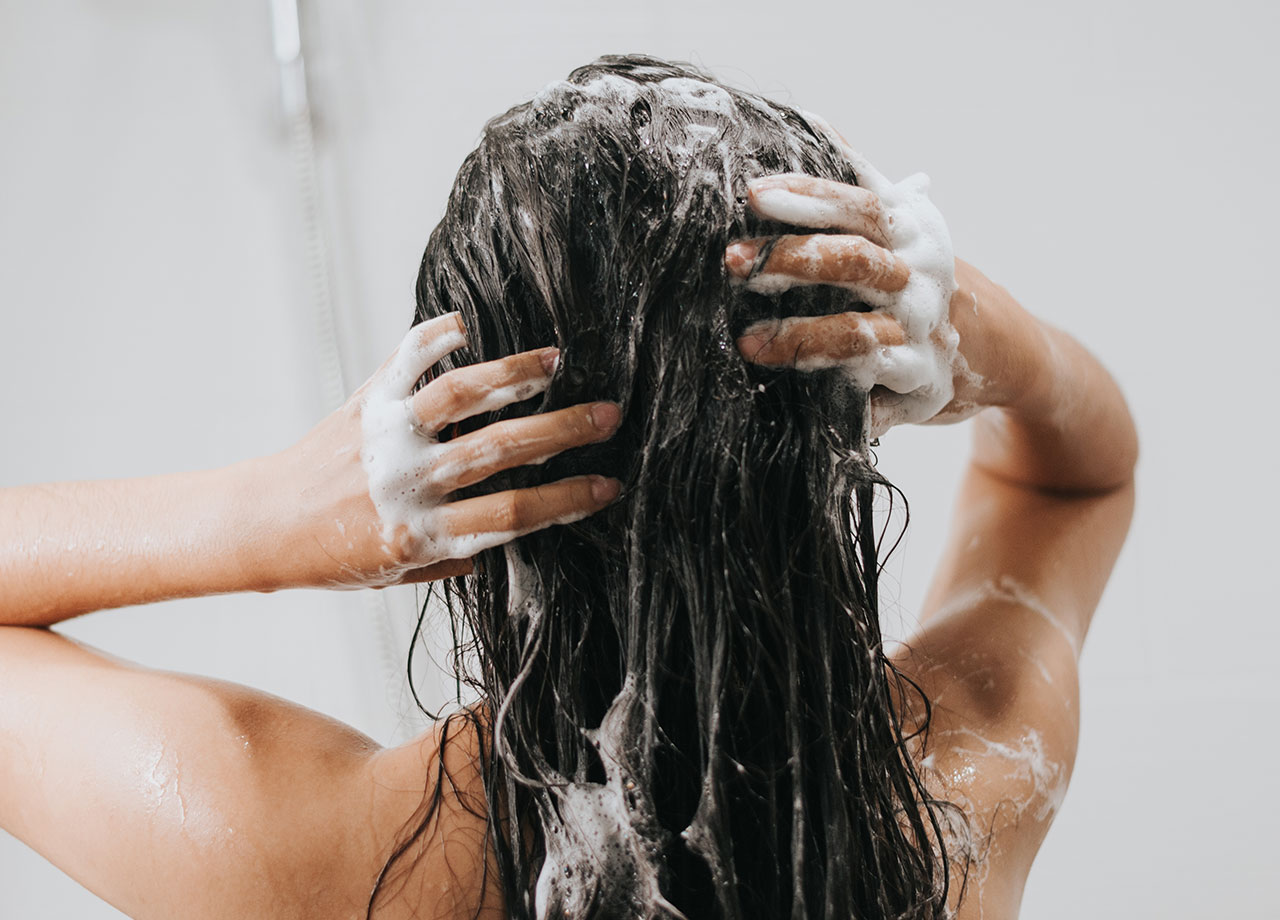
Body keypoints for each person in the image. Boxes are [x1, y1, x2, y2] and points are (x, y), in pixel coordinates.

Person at [0, 56, 1136, 920]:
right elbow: (1081, 477)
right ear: (831, 429)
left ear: (472, 458)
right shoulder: (964, 791)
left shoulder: (319, 853)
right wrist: (979, 331)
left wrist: (262, 520)